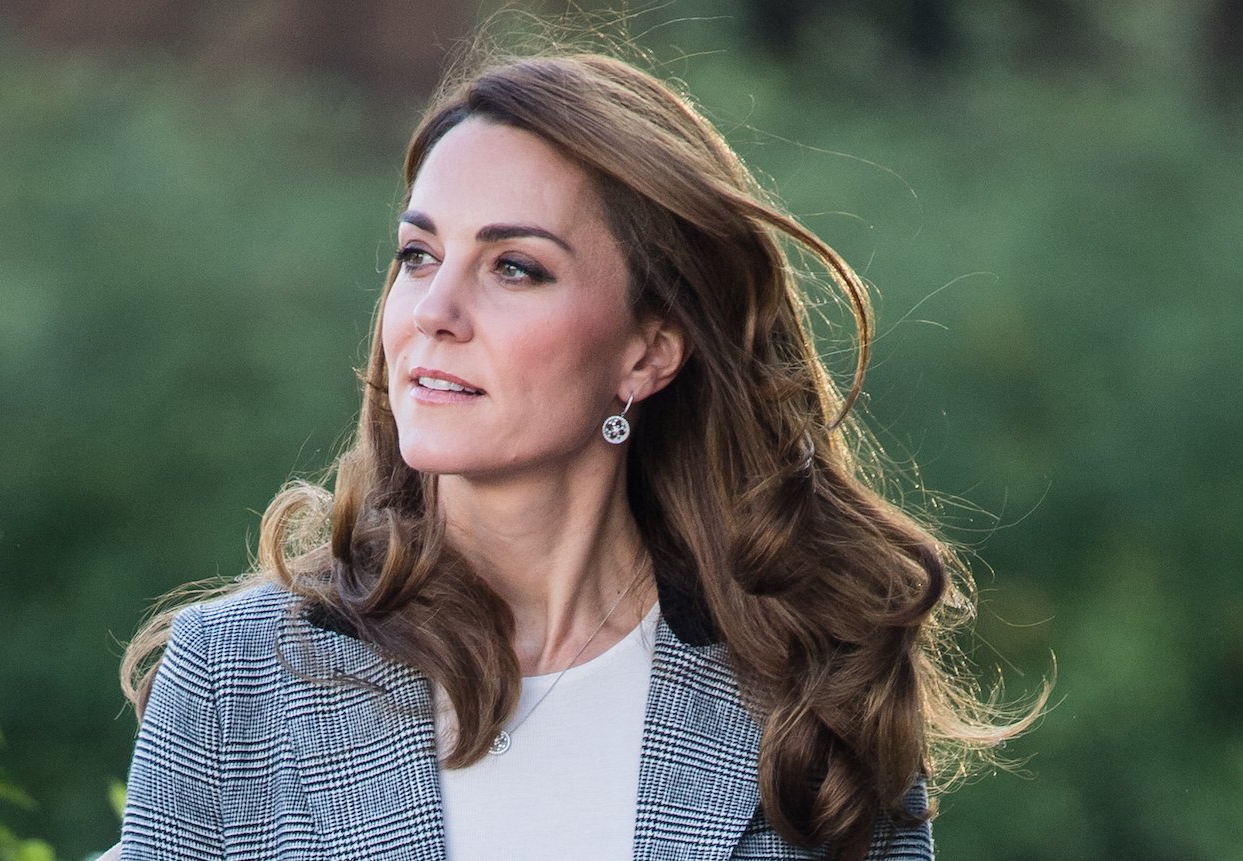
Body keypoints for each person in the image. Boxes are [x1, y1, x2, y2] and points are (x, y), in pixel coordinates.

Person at [117, 45, 1037, 861]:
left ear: (648, 352)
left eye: (514, 267)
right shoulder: (234, 676)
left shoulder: (812, 688)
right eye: (418, 255)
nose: (434, 311)